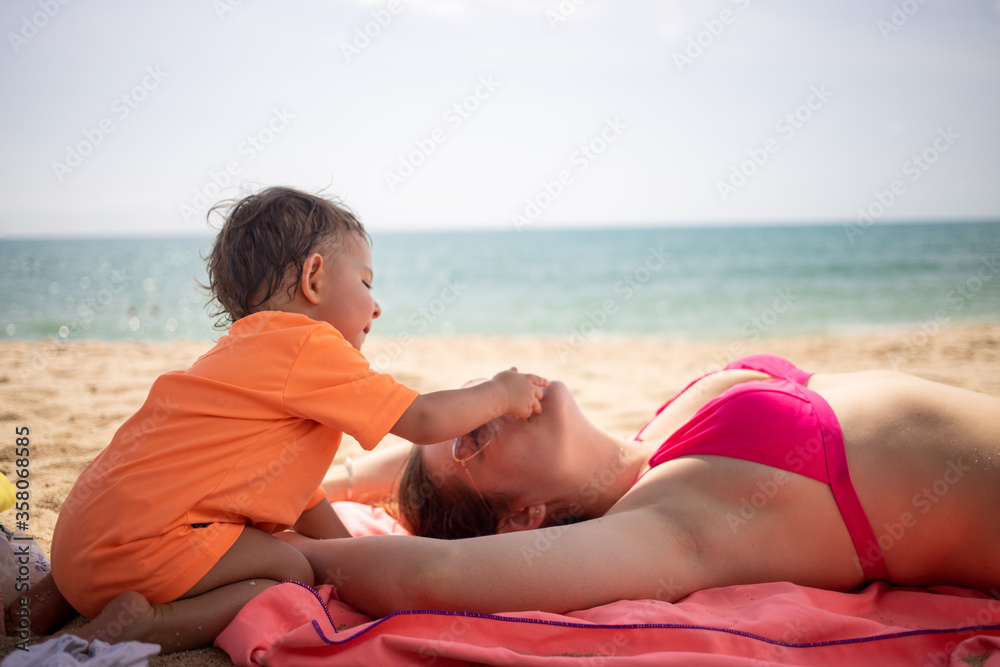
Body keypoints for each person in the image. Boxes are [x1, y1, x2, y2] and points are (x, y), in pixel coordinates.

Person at [44, 186, 546, 652]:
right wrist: (500, 393)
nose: (376, 308)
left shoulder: (237, 357)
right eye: (366, 282)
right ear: (314, 278)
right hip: (141, 556)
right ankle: (151, 625)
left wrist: (354, 555)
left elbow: (301, 496)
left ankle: (45, 604)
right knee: (291, 570)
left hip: (76, 549)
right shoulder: (309, 344)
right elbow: (421, 419)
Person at [288, 354, 1000, 618]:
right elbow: (433, 575)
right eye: (474, 434)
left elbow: (415, 466)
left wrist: (334, 479)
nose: (489, 402)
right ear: (523, 519)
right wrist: (297, 546)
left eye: (471, 397)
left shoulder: (652, 443)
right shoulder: (669, 522)